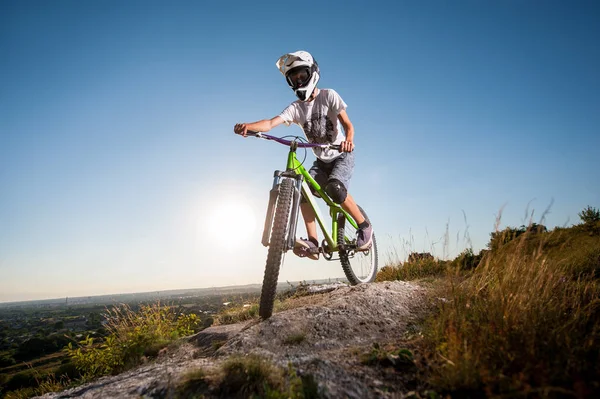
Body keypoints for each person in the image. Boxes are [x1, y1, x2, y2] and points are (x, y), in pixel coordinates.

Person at [234, 50, 372, 260]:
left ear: (312, 73)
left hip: (340, 155)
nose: (298, 81)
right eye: (293, 78)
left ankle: (364, 226)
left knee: (335, 188)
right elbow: (271, 123)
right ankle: (313, 241)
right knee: (305, 192)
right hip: (320, 160)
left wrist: (349, 140)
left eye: (302, 76)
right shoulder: (296, 108)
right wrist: (249, 127)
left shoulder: (329, 95)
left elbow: (348, 124)